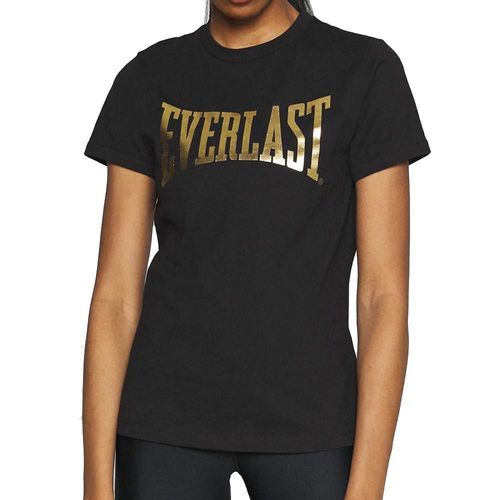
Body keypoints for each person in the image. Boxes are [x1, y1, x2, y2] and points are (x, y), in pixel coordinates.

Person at [82, 0, 430, 498]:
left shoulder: (363, 71)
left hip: (313, 421)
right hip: (163, 419)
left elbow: (383, 297)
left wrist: (368, 487)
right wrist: (96, 485)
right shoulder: (148, 78)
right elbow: (114, 298)